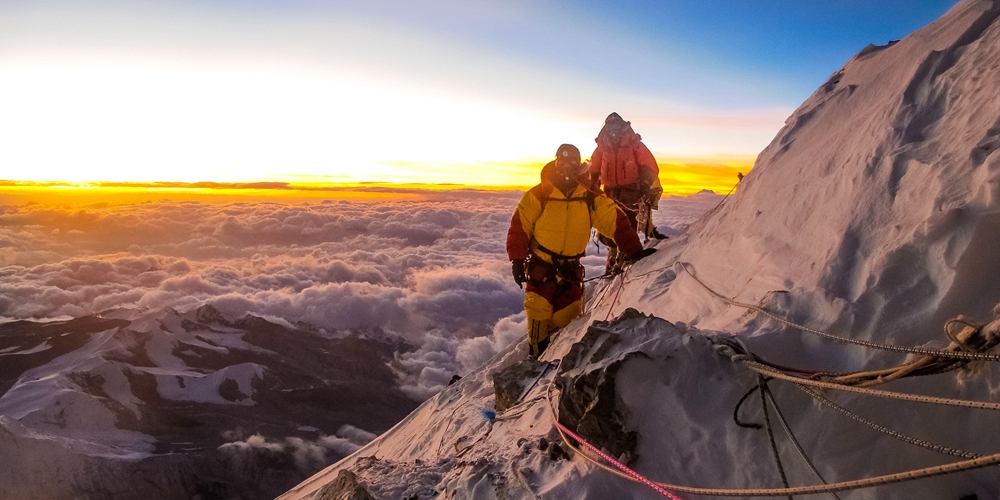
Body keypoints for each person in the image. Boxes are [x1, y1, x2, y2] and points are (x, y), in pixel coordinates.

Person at [507, 144, 656, 359]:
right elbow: (520, 226)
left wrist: (634, 251)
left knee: (566, 322)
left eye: (572, 162)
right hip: (542, 267)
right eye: (563, 161)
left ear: (579, 165)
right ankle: (537, 359)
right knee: (538, 313)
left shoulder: (589, 196)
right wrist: (517, 261)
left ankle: (556, 364)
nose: (567, 166)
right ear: (556, 162)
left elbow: (615, 222)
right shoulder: (541, 194)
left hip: (570, 272)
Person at [588, 113, 668, 272]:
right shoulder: (603, 148)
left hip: (631, 193)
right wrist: (592, 187)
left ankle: (625, 259)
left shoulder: (633, 144)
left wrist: (645, 184)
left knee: (627, 225)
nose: (613, 131)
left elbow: (648, 166)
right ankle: (616, 260)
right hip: (610, 193)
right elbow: (594, 170)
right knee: (613, 225)